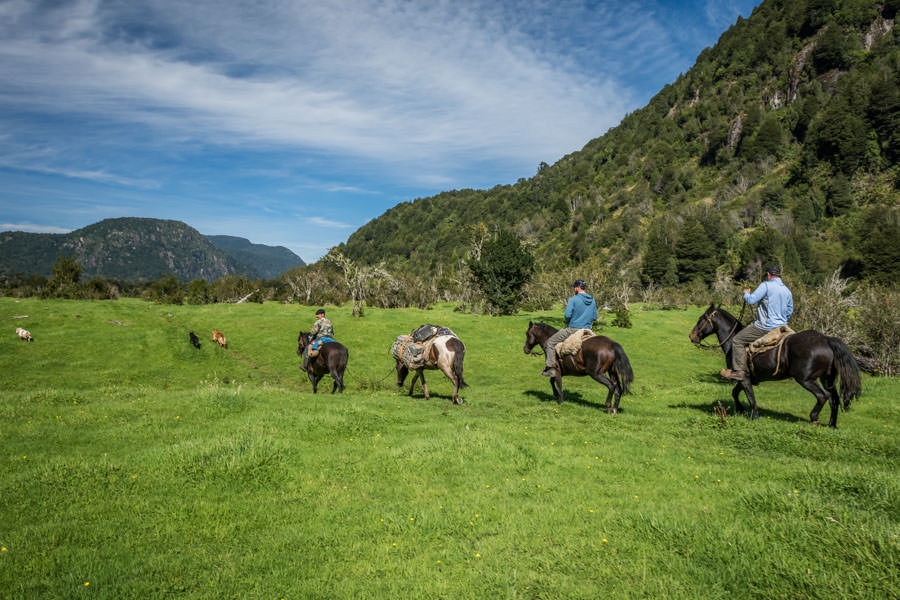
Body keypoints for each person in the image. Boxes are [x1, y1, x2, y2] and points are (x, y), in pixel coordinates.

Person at [720, 265, 794, 381]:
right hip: (782, 327)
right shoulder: (787, 290)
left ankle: (739, 371)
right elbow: (790, 310)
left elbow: (751, 300)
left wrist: (746, 293)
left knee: (737, 340)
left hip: (765, 327)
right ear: (779, 275)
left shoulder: (766, 285)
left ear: (769, 274)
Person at [542, 279, 598, 377]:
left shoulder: (573, 299)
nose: (574, 289)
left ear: (577, 288)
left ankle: (550, 368)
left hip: (573, 329)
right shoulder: (592, 300)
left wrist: (572, 320)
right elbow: (594, 317)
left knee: (549, 343)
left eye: (574, 287)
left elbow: (567, 315)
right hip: (587, 330)